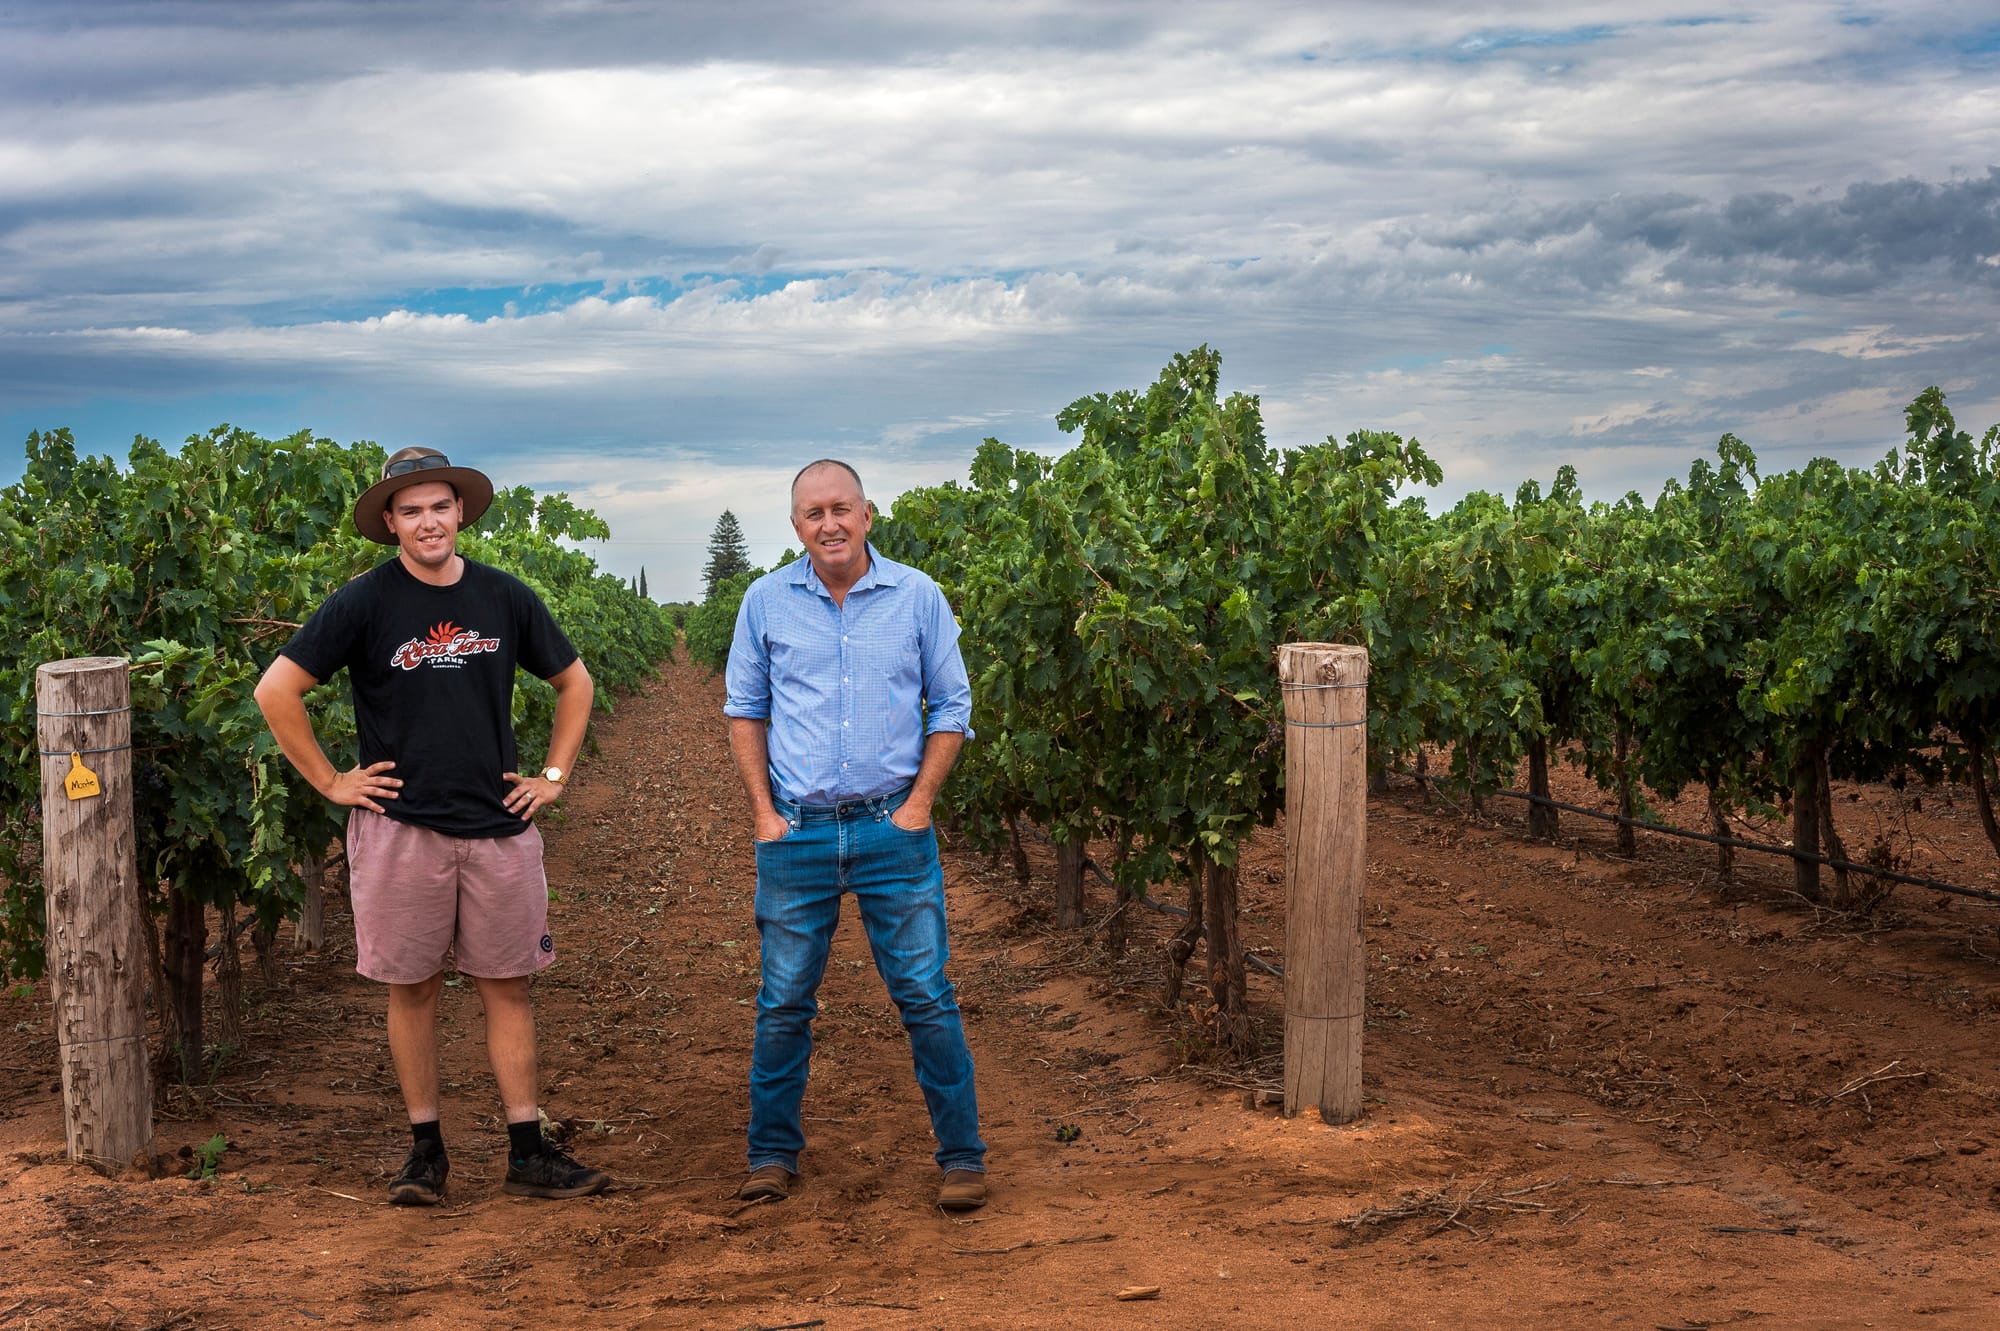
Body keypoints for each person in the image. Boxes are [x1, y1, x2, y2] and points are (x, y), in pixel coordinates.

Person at [254, 446, 609, 1206]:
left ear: (461, 512)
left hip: (497, 826)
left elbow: (574, 681)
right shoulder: (364, 602)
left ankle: (526, 1148)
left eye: (439, 505)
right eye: (410, 509)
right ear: (391, 522)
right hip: (399, 828)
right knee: (411, 990)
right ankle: (426, 1153)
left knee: (506, 986)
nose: (428, 521)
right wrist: (330, 780)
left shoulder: (504, 597)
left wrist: (553, 776)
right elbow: (277, 689)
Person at [724, 458, 988, 1211]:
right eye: (813, 513)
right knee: (783, 1002)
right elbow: (745, 709)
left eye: (842, 508)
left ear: (868, 515)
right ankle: (771, 1155)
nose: (829, 523)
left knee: (925, 994)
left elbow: (953, 703)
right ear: (797, 526)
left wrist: (920, 804)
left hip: (890, 829)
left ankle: (963, 1157)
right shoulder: (765, 601)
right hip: (797, 834)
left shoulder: (917, 596)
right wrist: (763, 814)